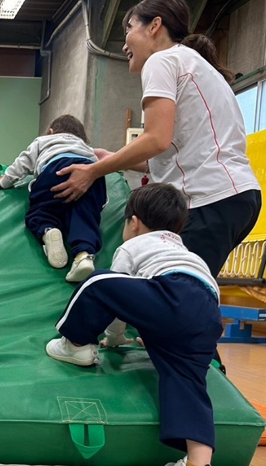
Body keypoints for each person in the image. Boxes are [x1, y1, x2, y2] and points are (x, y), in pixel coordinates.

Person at [52, 0, 261, 279]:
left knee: (173, 293)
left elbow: (156, 139)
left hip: (208, 197)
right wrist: (112, 158)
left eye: (129, 28)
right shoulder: (193, 64)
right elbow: (173, 149)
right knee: (183, 290)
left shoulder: (162, 60)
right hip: (234, 196)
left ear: (155, 26)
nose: (124, 45)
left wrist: (94, 171)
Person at [46, 184, 222, 466]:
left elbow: (118, 299)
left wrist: (113, 338)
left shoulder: (134, 245)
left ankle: (75, 345)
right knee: (187, 381)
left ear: (134, 223)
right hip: (207, 313)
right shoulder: (186, 253)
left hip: (172, 295)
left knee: (99, 282)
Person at [0, 115, 107, 283]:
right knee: (85, 215)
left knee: (41, 211)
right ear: (82, 137)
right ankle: (83, 256)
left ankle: (48, 230)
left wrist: (4, 182)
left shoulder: (43, 141)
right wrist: (96, 206)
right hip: (89, 172)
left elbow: (22, 163)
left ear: (51, 132)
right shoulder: (87, 149)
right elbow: (100, 199)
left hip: (56, 169)